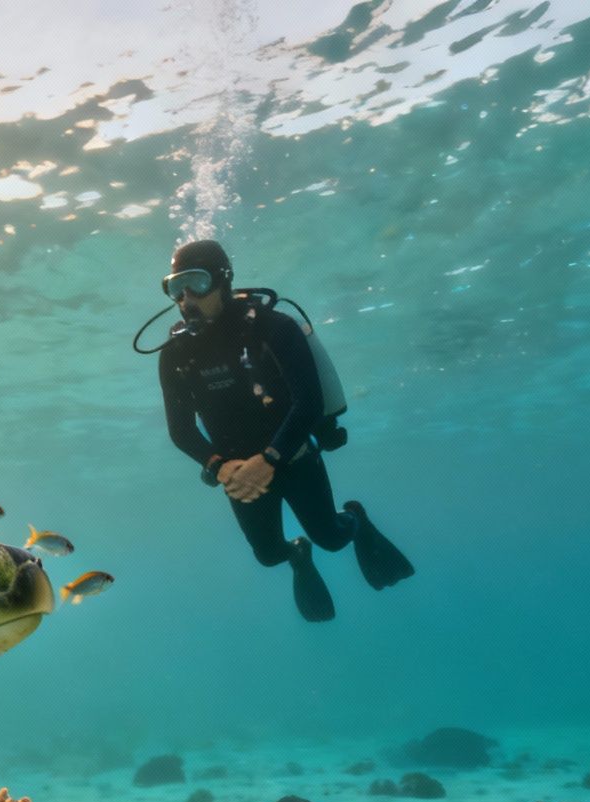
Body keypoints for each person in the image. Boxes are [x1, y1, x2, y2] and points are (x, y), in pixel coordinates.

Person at [155, 239, 413, 621]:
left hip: (292, 455)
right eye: (176, 287)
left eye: (196, 282)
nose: (185, 297)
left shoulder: (274, 328)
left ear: (223, 280)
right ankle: (297, 555)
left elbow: (308, 402)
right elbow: (180, 430)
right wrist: (220, 467)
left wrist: (269, 459)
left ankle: (356, 518)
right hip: (238, 473)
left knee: (332, 537)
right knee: (269, 555)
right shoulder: (176, 353)